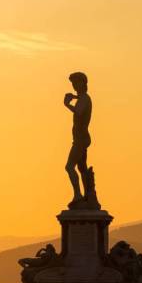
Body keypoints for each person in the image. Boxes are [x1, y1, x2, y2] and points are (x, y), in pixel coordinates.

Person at [63, 71, 93, 207]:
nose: (74, 86)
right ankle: (88, 195)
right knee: (82, 168)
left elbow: (79, 112)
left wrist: (67, 104)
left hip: (81, 139)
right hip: (80, 138)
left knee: (69, 166)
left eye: (76, 82)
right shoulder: (82, 98)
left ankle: (78, 195)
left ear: (83, 83)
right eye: (73, 83)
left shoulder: (85, 98)